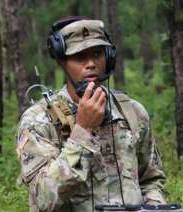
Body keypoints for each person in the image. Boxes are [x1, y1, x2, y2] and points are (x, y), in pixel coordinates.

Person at [16, 16, 166, 212]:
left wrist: (155, 206)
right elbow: (45, 198)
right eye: (79, 56)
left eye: (97, 54)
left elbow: (151, 179)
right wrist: (82, 131)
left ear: (109, 57)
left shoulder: (132, 112)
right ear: (62, 61)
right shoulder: (38, 121)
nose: (91, 64)